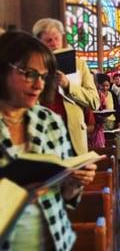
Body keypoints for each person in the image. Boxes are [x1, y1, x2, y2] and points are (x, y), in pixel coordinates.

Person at [0, 31, 96, 251]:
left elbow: (63, 194)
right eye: (29, 74)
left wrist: (74, 182)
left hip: (52, 240)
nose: (38, 85)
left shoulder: (49, 121)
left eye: (43, 77)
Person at [32, 18, 100, 155]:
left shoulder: (79, 65)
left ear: (62, 39)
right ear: (39, 43)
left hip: (72, 134)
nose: (54, 43)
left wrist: (69, 85)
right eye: (48, 40)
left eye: (56, 38)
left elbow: (95, 101)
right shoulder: (33, 66)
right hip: (43, 132)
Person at [96, 74, 120, 158]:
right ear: (99, 85)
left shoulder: (113, 95)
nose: (105, 88)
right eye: (103, 85)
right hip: (100, 123)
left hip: (112, 123)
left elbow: (117, 109)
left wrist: (119, 122)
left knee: (114, 144)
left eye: (107, 85)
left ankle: (114, 160)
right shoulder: (96, 95)